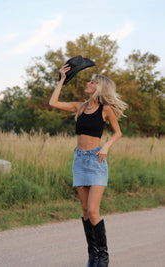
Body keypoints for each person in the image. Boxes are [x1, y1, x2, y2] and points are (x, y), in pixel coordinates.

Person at [49, 63, 127, 267]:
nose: (88, 83)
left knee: (93, 210)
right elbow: (53, 102)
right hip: (79, 160)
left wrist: (107, 146)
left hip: (96, 161)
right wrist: (62, 80)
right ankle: (92, 255)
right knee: (85, 211)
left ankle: (103, 256)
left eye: (92, 82)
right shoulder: (81, 106)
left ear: (99, 87)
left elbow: (118, 132)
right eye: (89, 81)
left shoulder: (106, 109)